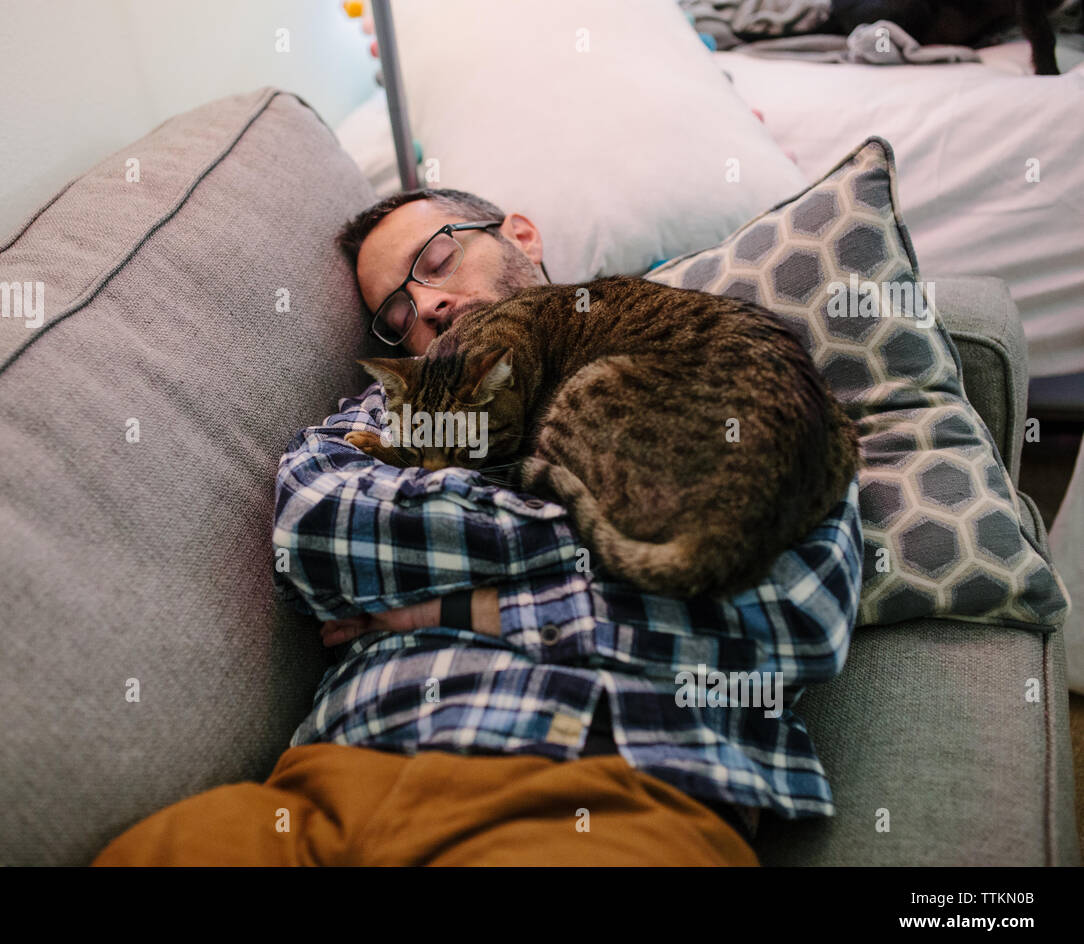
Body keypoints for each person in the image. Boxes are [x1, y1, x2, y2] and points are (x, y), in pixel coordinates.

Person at [92, 188, 863, 866]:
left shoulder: (748, 395)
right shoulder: (390, 406)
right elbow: (318, 532)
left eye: (435, 260)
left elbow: (795, 619)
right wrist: (594, 559)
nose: (423, 306)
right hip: (327, 784)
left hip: (610, 781)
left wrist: (455, 606)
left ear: (519, 236)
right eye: (395, 312)